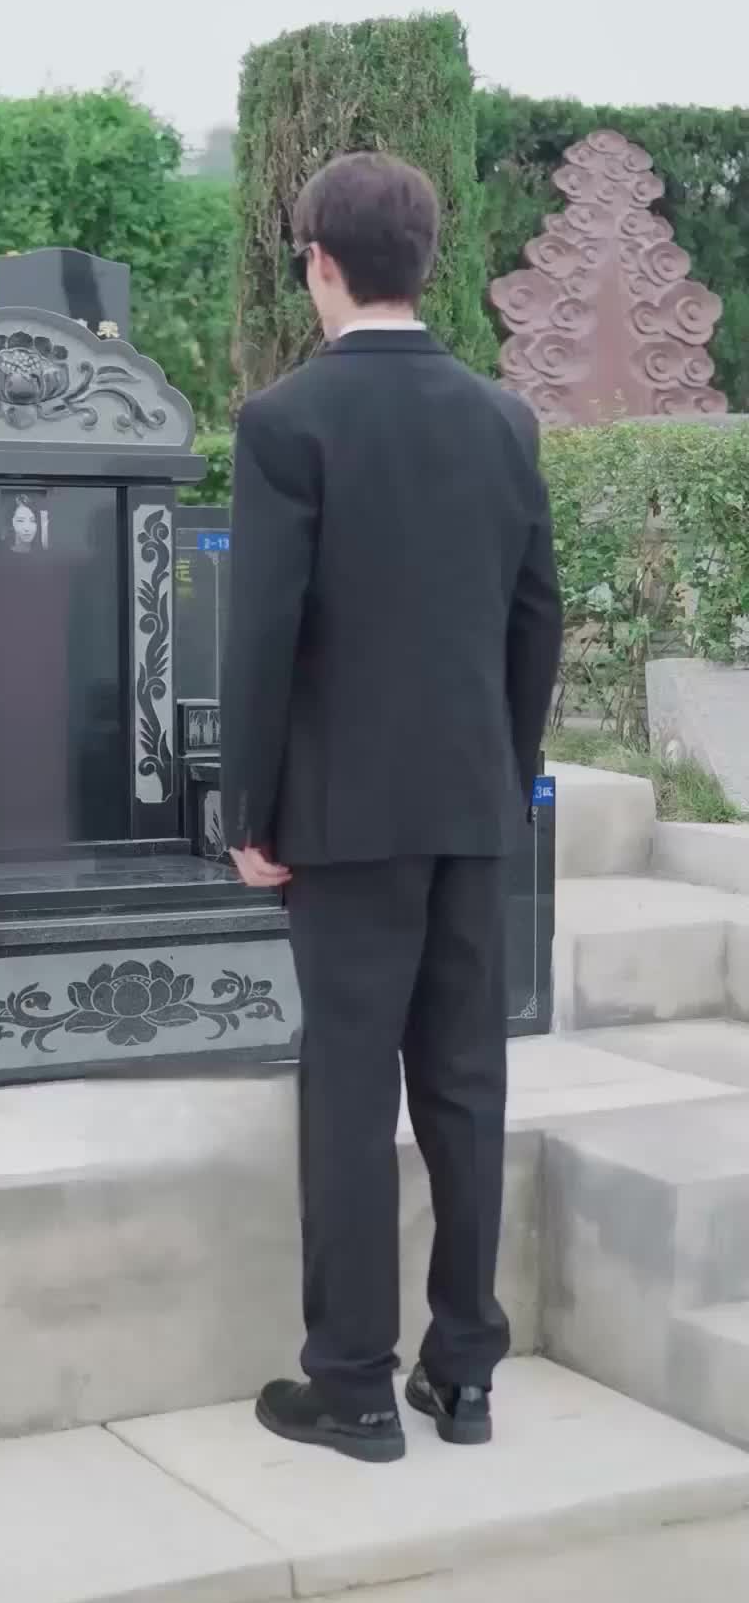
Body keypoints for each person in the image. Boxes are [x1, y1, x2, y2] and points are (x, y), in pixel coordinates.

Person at [221, 151, 562, 1465]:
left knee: (352, 1092)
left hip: (342, 819)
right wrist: (505, 778)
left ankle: (355, 1386)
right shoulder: (504, 421)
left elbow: (264, 636)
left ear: (320, 263)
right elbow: (536, 620)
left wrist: (248, 809)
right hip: (473, 807)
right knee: (467, 1084)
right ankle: (465, 1377)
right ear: (427, 261)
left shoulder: (285, 422)